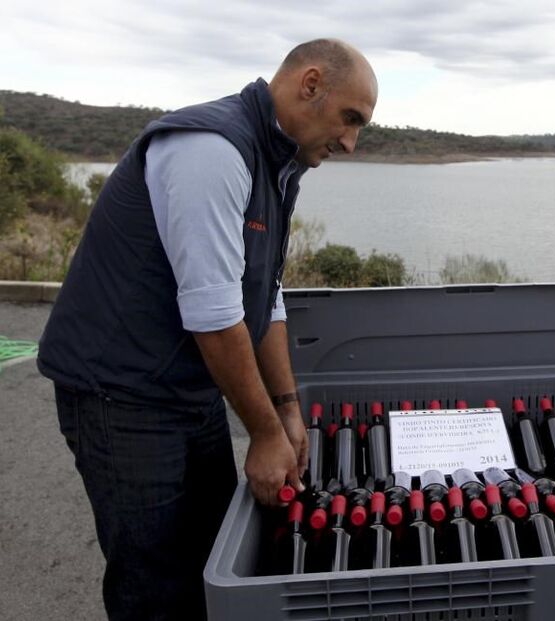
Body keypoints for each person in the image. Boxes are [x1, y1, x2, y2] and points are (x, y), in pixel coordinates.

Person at [37, 39, 378, 620]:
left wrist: (286, 410)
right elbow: (214, 313)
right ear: (310, 84)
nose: (350, 142)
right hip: (121, 394)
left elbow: (263, 294)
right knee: (154, 582)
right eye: (351, 119)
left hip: (188, 389)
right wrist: (264, 435)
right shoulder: (211, 149)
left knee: (210, 556)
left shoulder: (278, 163)